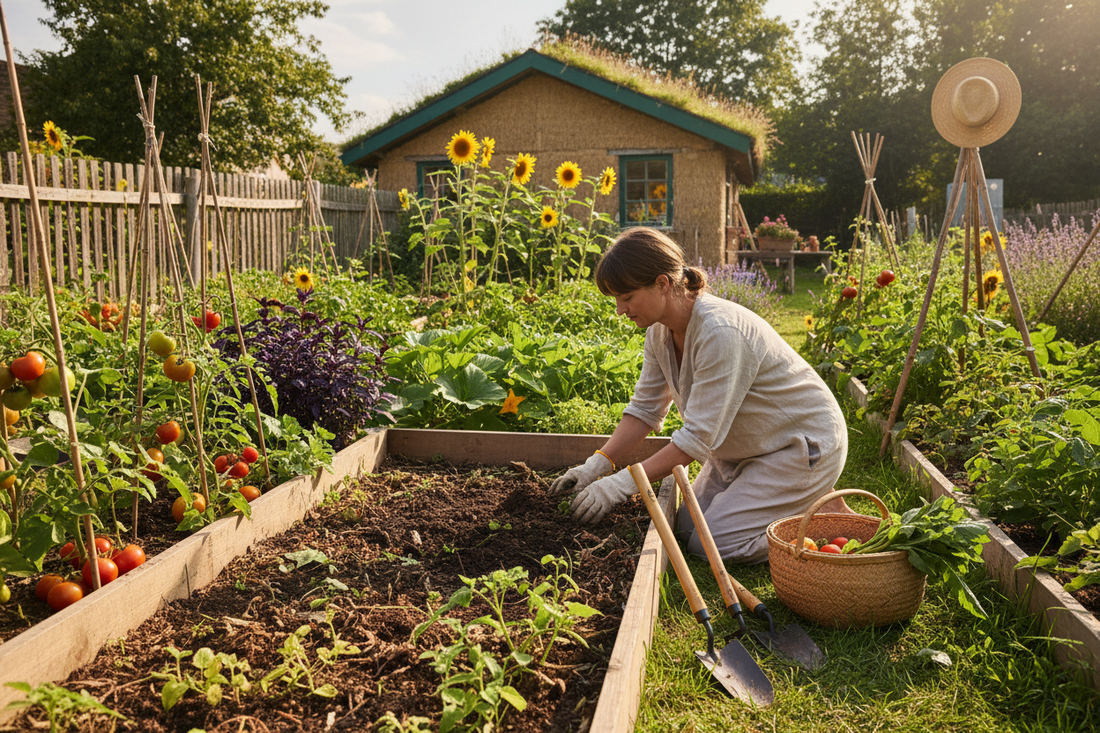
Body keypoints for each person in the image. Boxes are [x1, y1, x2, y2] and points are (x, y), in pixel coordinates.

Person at [548, 227, 851, 563]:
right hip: (743, 451)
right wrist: (596, 465)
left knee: (709, 545)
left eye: (627, 297)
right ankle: (801, 500)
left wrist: (620, 485)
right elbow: (645, 410)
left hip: (798, 447)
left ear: (663, 284)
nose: (620, 310)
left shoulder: (720, 332)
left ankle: (820, 519)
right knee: (686, 529)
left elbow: (696, 440)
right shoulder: (659, 332)